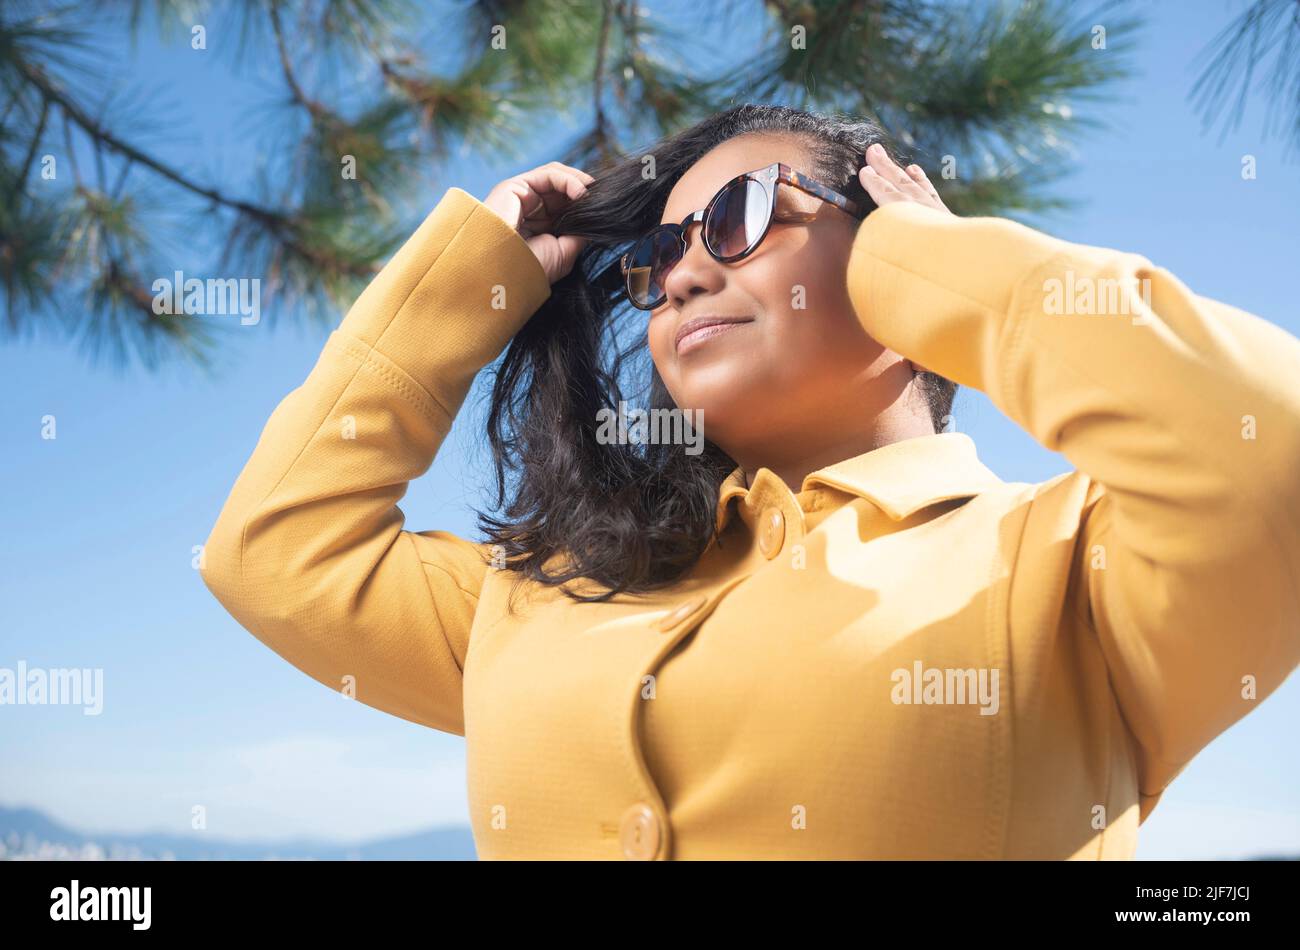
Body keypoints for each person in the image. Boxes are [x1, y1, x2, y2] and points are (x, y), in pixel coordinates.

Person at [200, 103, 1300, 860]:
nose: (679, 272)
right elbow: (274, 554)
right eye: (660, 254)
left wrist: (925, 263)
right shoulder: (552, 587)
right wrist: (470, 284)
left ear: (882, 237)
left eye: (738, 215)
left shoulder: (1074, 567)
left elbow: (1267, 452)